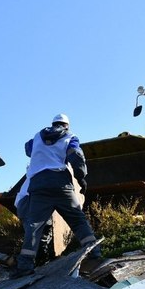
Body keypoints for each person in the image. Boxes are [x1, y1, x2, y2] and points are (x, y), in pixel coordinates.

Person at [12, 113, 100, 277]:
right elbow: (76, 156)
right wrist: (81, 178)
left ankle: (24, 266)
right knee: (77, 219)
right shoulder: (70, 136)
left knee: (34, 226)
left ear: (53, 123)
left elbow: (27, 148)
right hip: (60, 183)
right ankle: (94, 254)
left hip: (38, 186)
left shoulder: (38, 137)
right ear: (67, 125)